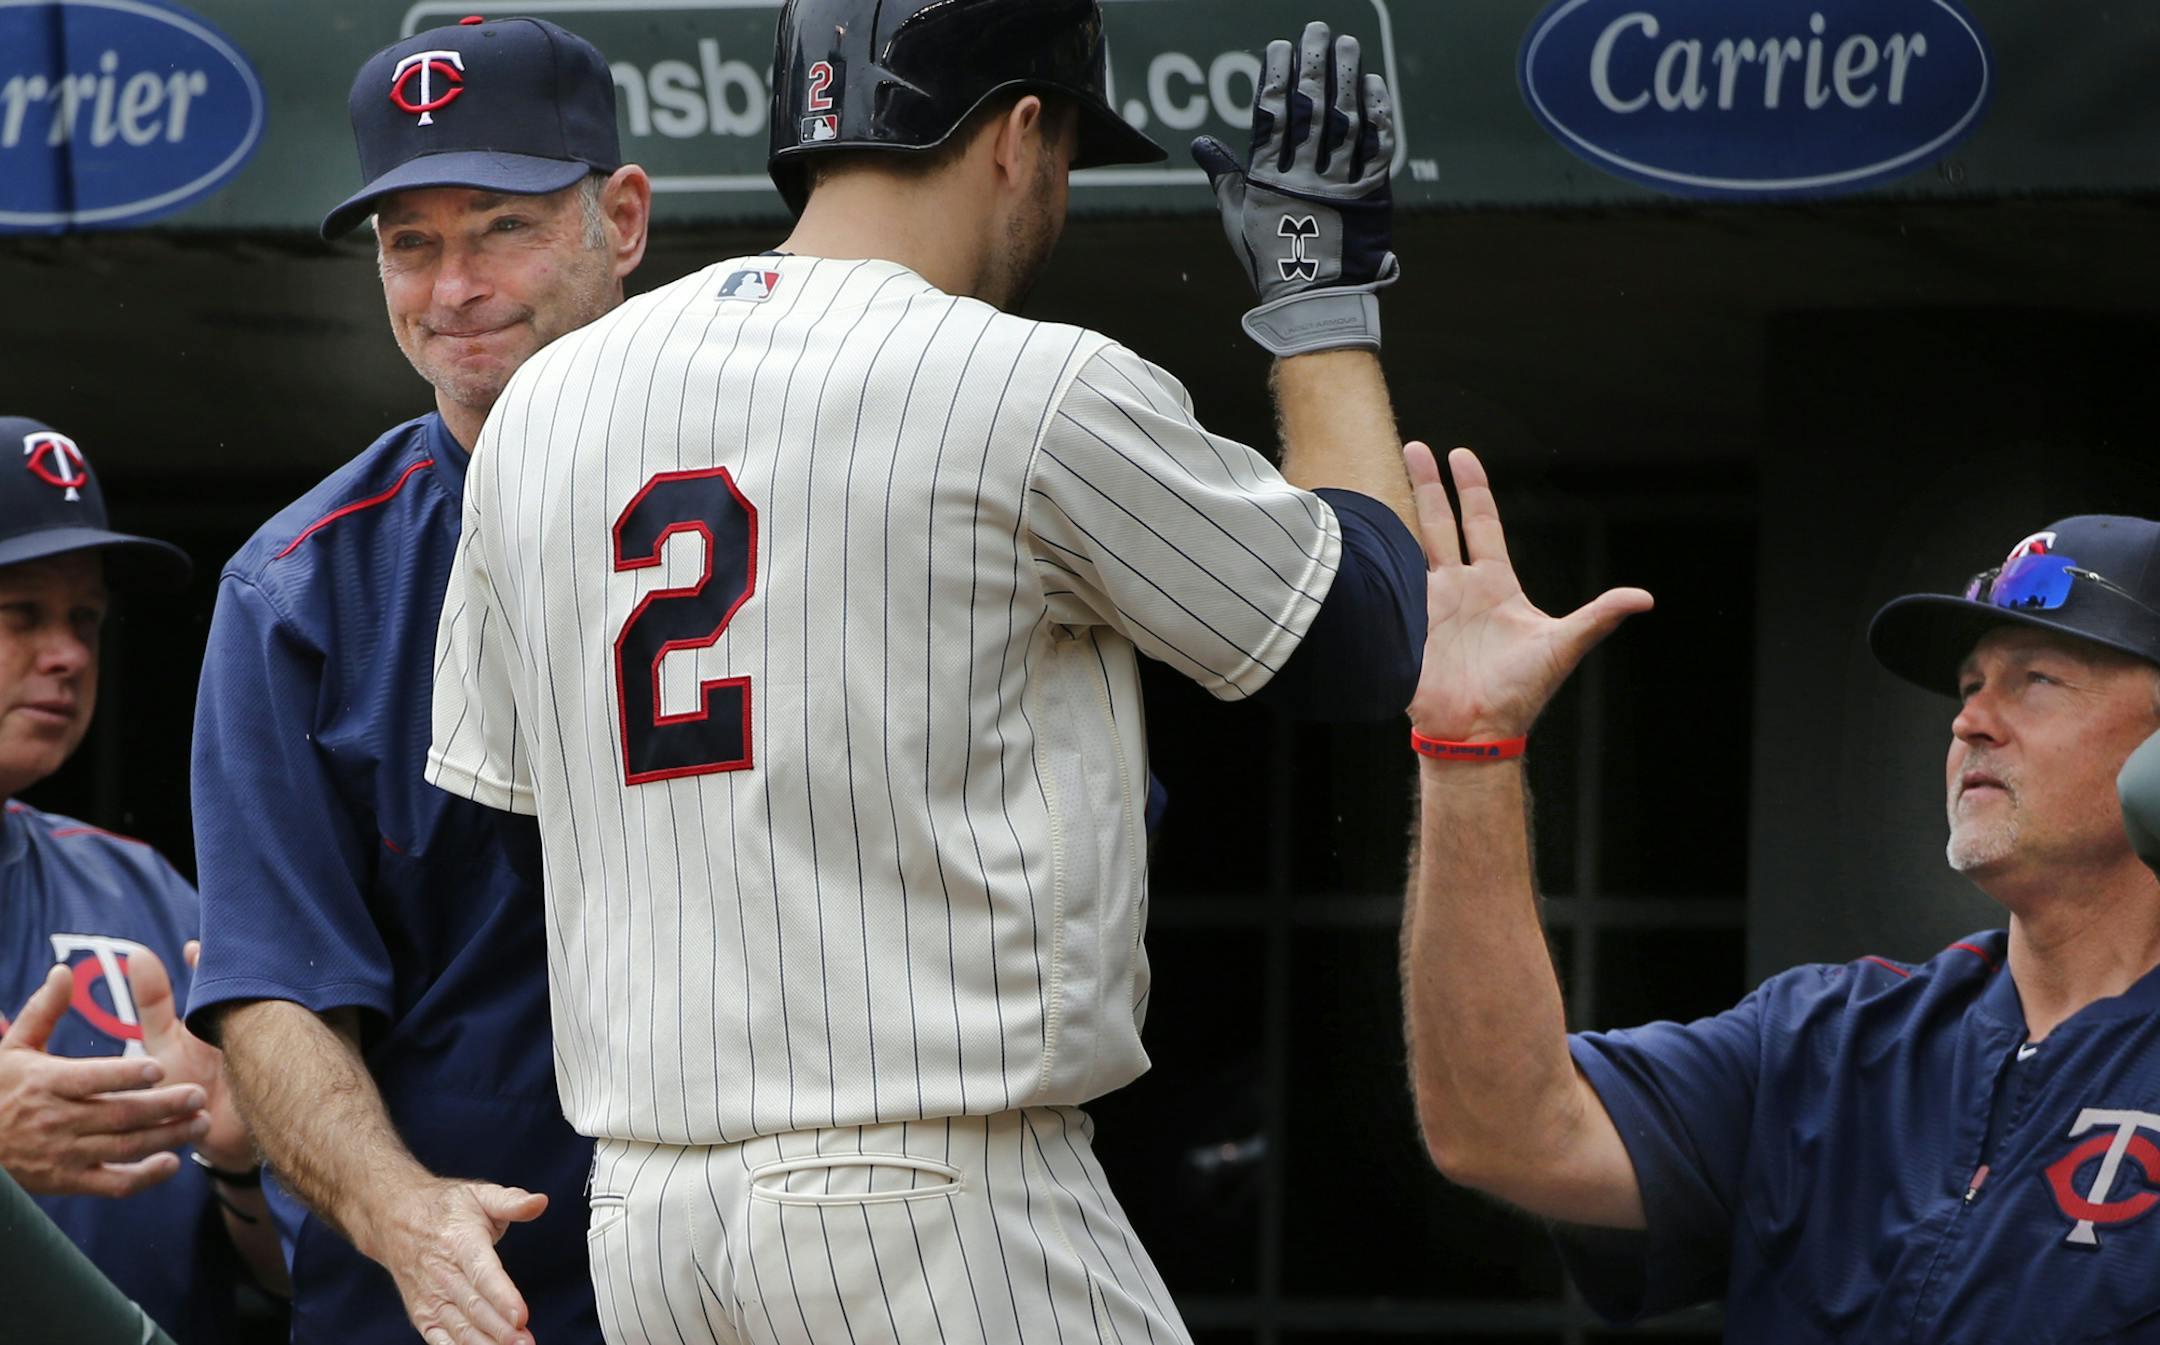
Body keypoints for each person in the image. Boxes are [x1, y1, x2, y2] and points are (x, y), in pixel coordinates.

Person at [427, 1, 1426, 1338]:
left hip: (653, 1226)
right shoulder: (1032, 385)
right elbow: (1367, 640)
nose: (1059, 186)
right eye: (1065, 147)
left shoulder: (542, 408)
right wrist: (1318, 301)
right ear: (1017, 135)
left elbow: (510, 836)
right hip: (934, 1198)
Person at [1399, 444, 2160, 1342]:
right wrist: (1469, 750)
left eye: (2036, 680)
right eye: (1967, 686)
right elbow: (1501, 1129)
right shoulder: (1829, 1042)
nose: (1969, 721)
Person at [181, 18, 651, 1345]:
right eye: (410, 243)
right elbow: (273, 990)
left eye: (500, 224)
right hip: (449, 1303)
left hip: (773, 1269)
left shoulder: (797, 493)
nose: (452, 289)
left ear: (621, 218)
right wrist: (403, 1216)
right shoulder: (298, 585)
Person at [0, 416, 283, 1340]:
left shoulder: (145, 891)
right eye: (22, 614)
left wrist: (244, 1164)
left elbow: (297, 1274)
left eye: (84, 618)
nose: (69, 654)